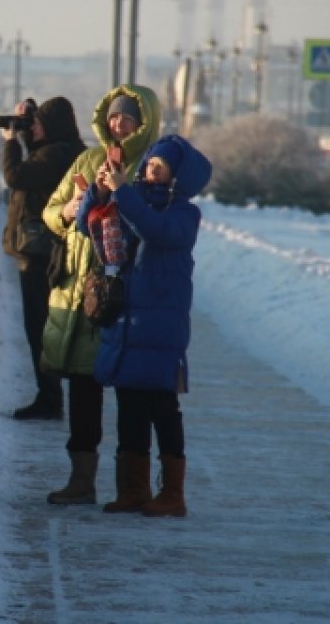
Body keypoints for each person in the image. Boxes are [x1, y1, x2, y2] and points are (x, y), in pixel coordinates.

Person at [40, 84, 161, 505]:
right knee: (83, 391)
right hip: (82, 294)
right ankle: (81, 481)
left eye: (128, 117)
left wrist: (124, 189)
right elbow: (50, 211)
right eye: (113, 116)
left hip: (127, 296)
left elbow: (155, 225)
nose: (118, 124)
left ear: (143, 123)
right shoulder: (88, 159)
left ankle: (132, 487)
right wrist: (68, 212)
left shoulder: (151, 164)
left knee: (131, 395)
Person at [79, 134, 211, 517]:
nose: (150, 170)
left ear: (176, 175)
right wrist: (101, 194)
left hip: (160, 322)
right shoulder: (128, 199)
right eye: (149, 163)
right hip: (126, 317)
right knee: (129, 407)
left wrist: (124, 194)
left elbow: (155, 230)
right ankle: (132, 489)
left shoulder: (184, 213)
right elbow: (89, 229)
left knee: (162, 407)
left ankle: (172, 493)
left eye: (159, 166)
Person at [1, 96, 87, 420]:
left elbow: (17, 176)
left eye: (36, 125)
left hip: (39, 253)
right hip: (47, 250)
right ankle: (49, 395)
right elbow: (34, 165)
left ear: (50, 128)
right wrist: (25, 130)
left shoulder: (58, 154)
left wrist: (10, 142)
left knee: (39, 327)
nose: (31, 129)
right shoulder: (63, 150)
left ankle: (49, 399)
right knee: (43, 327)